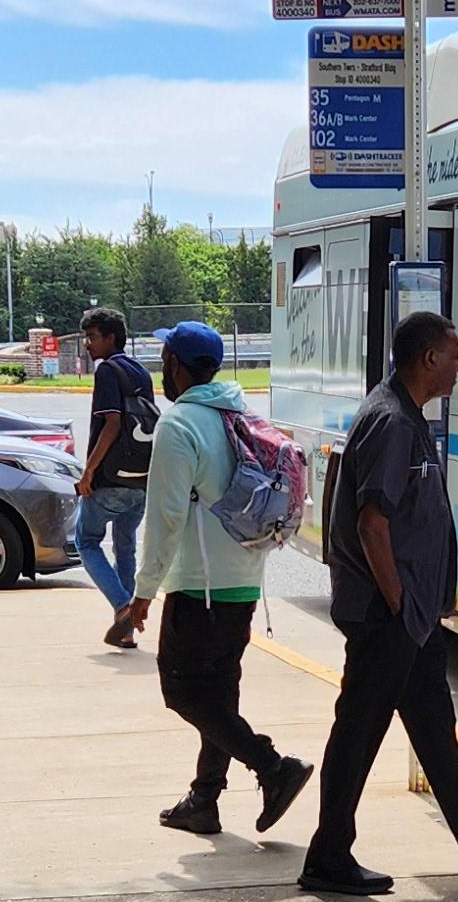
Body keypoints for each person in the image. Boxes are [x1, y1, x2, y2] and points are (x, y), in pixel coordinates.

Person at [297, 310, 458, 897]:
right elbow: (372, 523)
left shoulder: (407, 417)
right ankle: (328, 857)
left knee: (435, 729)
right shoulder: (389, 422)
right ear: (428, 358)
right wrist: (400, 601)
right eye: (454, 355)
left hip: (412, 618)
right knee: (358, 730)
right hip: (389, 615)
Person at [129, 320, 310, 839]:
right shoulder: (238, 412)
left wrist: (144, 590)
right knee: (218, 695)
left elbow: (164, 515)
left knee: (182, 691)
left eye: (164, 359)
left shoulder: (181, 423)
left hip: (198, 586)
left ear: (176, 366)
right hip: (244, 580)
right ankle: (203, 800)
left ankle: (274, 768)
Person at [71, 306, 156, 651]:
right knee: (125, 547)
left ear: (111, 337)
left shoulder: (107, 371)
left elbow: (112, 424)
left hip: (110, 479)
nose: (88, 345)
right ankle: (125, 631)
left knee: (86, 541)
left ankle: (124, 607)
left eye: (92, 337)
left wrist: (88, 471)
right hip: (141, 480)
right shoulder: (141, 371)